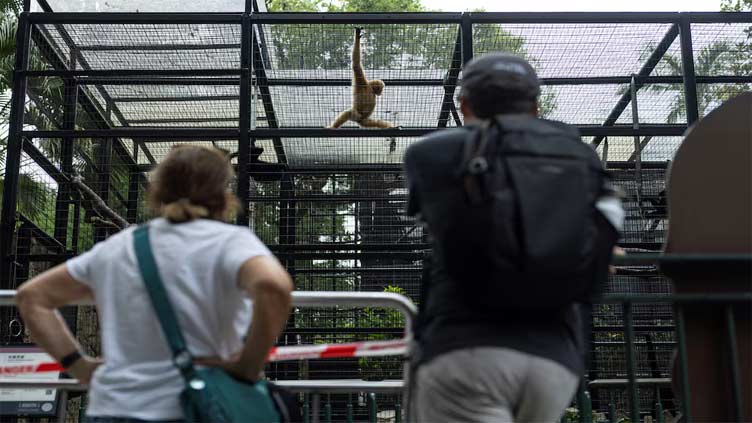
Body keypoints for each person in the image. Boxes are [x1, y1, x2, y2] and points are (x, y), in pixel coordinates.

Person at [404, 53, 624, 422]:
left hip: (465, 352)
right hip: (555, 361)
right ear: (536, 106)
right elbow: (606, 233)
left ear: (464, 105)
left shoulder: (431, 153)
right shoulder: (580, 155)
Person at [16, 145, 293, 422]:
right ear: (224, 194)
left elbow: (32, 296)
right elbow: (275, 287)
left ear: (157, 190)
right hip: (198, 407)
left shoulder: (117, 248)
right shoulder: (232, 242)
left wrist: (79, 367)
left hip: (115, 408)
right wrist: (247, 365)